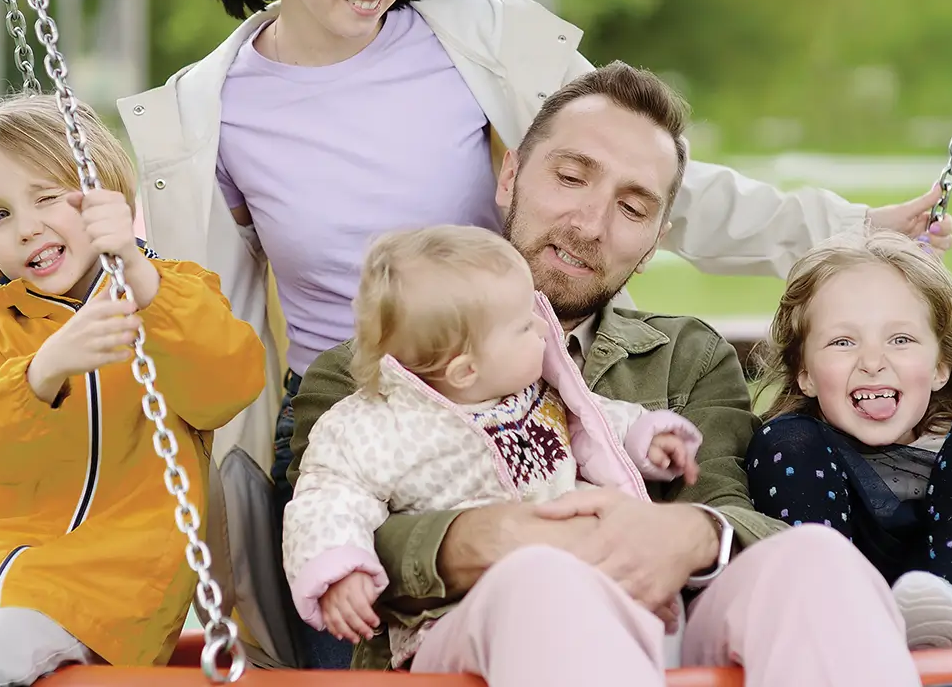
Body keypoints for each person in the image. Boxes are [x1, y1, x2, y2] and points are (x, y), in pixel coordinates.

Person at [117, 0, 952, 526]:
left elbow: (653, 183)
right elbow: (197, 302)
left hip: (516, 390)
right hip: (348, 411)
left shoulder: (483, 45)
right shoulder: (207, 115)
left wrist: (851, 226)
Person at [289, 62, 920, 687]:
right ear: (510, 176)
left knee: (816, 559)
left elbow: (731, 502)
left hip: (669, 627)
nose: (590, 224)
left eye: (632, 207)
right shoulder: (379, 369)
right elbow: (325, 522)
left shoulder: (687, 357)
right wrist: (477, 538)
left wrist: (692, 535)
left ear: (654, 243)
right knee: (545, 581)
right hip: (471, 635)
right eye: (569, 178)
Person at [0, 94, 266, 685]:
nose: (26, 227)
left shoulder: (171, 295)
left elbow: (228, 385)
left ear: (104, 199)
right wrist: (41, 373)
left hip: (102, 594)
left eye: (47, 197)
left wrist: (139, 276)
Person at [283, 224, 701, 658]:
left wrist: (643, 437)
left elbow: (592, 421)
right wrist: (338, 567)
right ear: (466, 371)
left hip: (574, 586)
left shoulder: (537, 395)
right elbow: (327, 500)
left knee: (634, 627)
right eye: (523, 325)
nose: (544, 325)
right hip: (458, 617)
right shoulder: (377, 427)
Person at [746, 230, 952, 650]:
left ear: (940, 367)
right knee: (787, 438)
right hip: (837, 629)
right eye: (843, 342)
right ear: (804, 373)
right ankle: (834, 614)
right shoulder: (795, 450)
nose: (873, 363)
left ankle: (945, 616)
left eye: (901, 339)